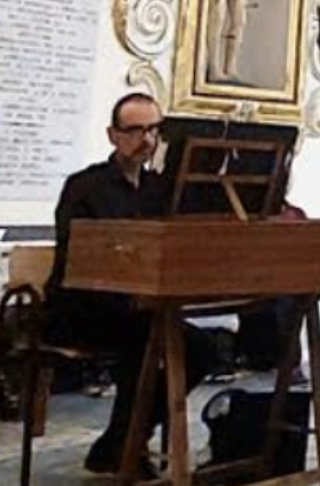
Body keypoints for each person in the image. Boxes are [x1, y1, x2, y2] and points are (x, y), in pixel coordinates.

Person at [49, 93, 220, 476]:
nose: (146, 139)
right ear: (113, 135)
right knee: (146, 340)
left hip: (138, 309)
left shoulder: (161, 190)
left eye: (154, 130)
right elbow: (80, 257)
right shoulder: (84, 186)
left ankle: (121, 440)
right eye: (136, 130)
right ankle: (125, 445)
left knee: (203, 348)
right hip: (82, 308)